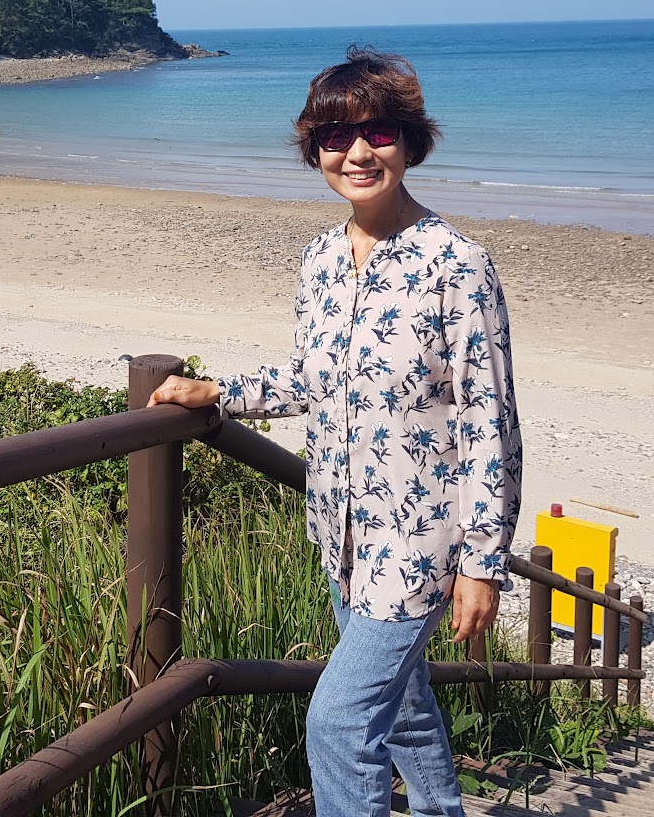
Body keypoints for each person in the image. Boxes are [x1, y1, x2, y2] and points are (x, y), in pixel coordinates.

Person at [149, 47, 522, 817]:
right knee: (407, 707)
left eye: (380, 133)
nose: (357, 152)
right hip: (338, 532)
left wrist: (482, 563)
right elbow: (316, 379)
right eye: (335, 136)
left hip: (419, 545)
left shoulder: (457, 265)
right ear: (313, 149)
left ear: (410, 143)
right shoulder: (320, 258)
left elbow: (491, 423)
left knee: (340, 722)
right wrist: (220, 390)